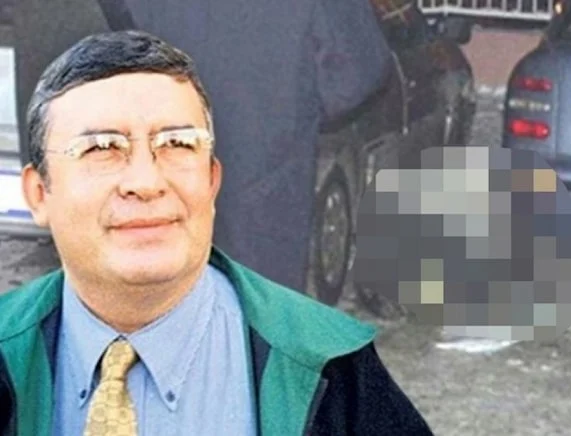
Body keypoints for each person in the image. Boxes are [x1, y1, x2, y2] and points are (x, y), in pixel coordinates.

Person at [0, 30, 433, 436]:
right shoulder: (6, 351)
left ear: (211, 181)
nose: (146, 182)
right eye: (103, 148)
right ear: (39, 193)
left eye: (176, 144)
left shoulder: (330, 365)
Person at [13, 0, 395, 296]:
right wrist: (294, 111)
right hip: (264, 172)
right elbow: (361, 72)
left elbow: (115, 31)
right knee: (256, 322)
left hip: (163, 161)